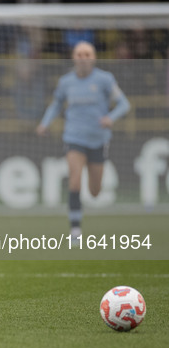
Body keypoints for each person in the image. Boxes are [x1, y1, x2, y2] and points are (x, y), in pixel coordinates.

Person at [36, 41, 130, 244]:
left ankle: (87, 202)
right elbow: (56, 104)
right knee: (74, 178)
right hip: (74, 137)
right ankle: (75, 229)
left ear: (94, 58)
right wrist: (45, 123)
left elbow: (124, 104)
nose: (83, 58)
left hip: (98, 139)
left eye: (87, 54)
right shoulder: (66, 82)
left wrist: (110, 118)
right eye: (80, 54)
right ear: (73, 57)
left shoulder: (105, 79)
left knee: (95, 191)